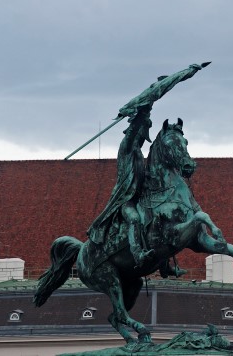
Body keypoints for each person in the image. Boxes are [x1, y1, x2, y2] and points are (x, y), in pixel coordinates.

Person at [86, 63, 207, 267]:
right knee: (134, 219)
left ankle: (165, 264)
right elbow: (134, 131)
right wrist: (143, 111)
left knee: (159, 221)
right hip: (125, 202)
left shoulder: (142, 156)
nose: (145, 134)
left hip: (141, 198)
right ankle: (138, 253)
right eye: (143, 130)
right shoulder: (127, 150)